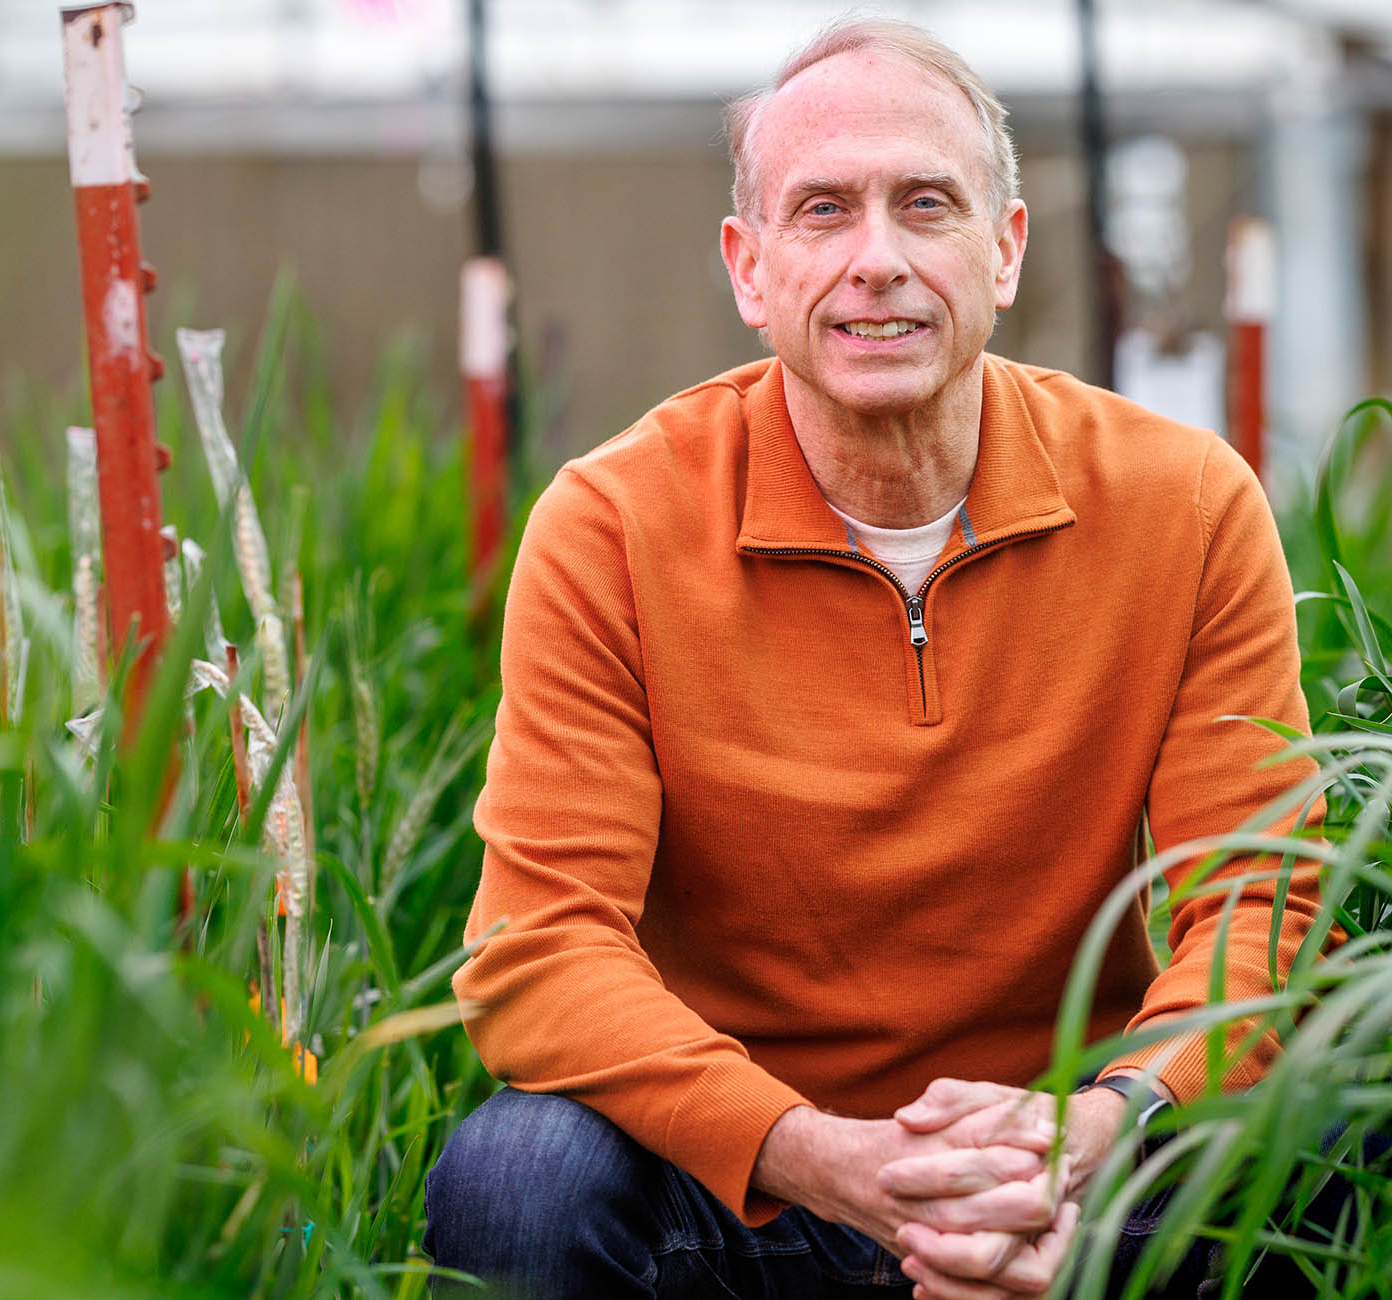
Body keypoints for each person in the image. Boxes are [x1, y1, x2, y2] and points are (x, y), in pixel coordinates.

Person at [424, 17, 1335, 1300]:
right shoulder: (615, 523)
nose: (878, 262)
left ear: (1004, 248)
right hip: (745, 1186)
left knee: (1318, 1150)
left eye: (926, 205)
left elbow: (1260, 901)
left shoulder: (1179, 503)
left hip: (1067, 1166)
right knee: (517, 1176)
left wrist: (1087, 1132)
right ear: (749, 270)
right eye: (822, 211)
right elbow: (539, 951)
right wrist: (818, 1155)